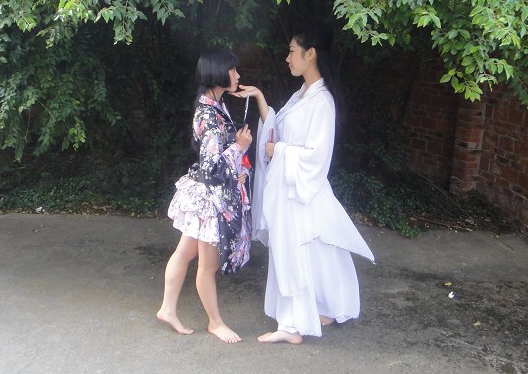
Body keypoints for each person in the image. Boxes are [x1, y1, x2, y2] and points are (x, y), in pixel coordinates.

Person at [234, 25, 375, 344]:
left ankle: (292, 326)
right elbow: (277, 128)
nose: (287, 59)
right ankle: (323, 309)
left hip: (301, 189)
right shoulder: (301, 95)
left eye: (292, 52)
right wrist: (259, 97)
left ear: (310, 54)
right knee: (314, 254)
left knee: (296, 254)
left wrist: (278, 151)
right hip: (290, 188)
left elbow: (316, 156)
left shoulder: (322, 101)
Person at [156, 49, 253, 343]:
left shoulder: (213, 105)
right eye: (233, 70)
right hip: (210, 198)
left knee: (185, 252)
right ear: (218, 72)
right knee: (207, 266)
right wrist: (239, 147)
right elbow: (212, 167)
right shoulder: (210, 114)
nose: (237, 75)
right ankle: (215, 323)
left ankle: (167, 309)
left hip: (202, 193)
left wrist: (235, 154)